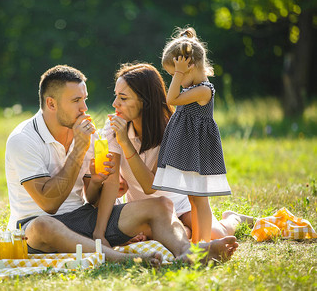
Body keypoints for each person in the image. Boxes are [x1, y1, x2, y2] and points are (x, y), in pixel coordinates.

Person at [4, 64, 238, 265]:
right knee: (43, 225)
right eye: (76, 101)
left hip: (82, 218)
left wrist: (96, 182)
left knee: (161, 204)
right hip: (35, 229)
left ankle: (187, 253)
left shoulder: (86, 134)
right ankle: (120, 259)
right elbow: (49, 204)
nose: (85, 109)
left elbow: (92, 197)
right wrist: (78, 150)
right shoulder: (23, 140)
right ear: (51, 104)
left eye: (84, 100)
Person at [88, 62, 252, 245]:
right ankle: (184, 232)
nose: (114, 104)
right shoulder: (114, 128)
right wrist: (99, 234)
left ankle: (233, 218)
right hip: (144, 209)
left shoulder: (173, 130)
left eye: (123, 98)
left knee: (215, 234)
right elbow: (111, 182)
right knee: (156, 237)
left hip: (180, 204)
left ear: (145, 101)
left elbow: (150, 185)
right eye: (116, 96)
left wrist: (125, 143)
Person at [151, 27, 232, 243]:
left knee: (200, 199)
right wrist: (179, 72)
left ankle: (203, 243)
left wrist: (177, 74)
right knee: (192, 198)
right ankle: (197, 242)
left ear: (190, 67)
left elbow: (171, 99)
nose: (173, 79)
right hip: (188, 148)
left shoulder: (205, 90)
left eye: (174, 74)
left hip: (198, 149)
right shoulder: (191, 88)